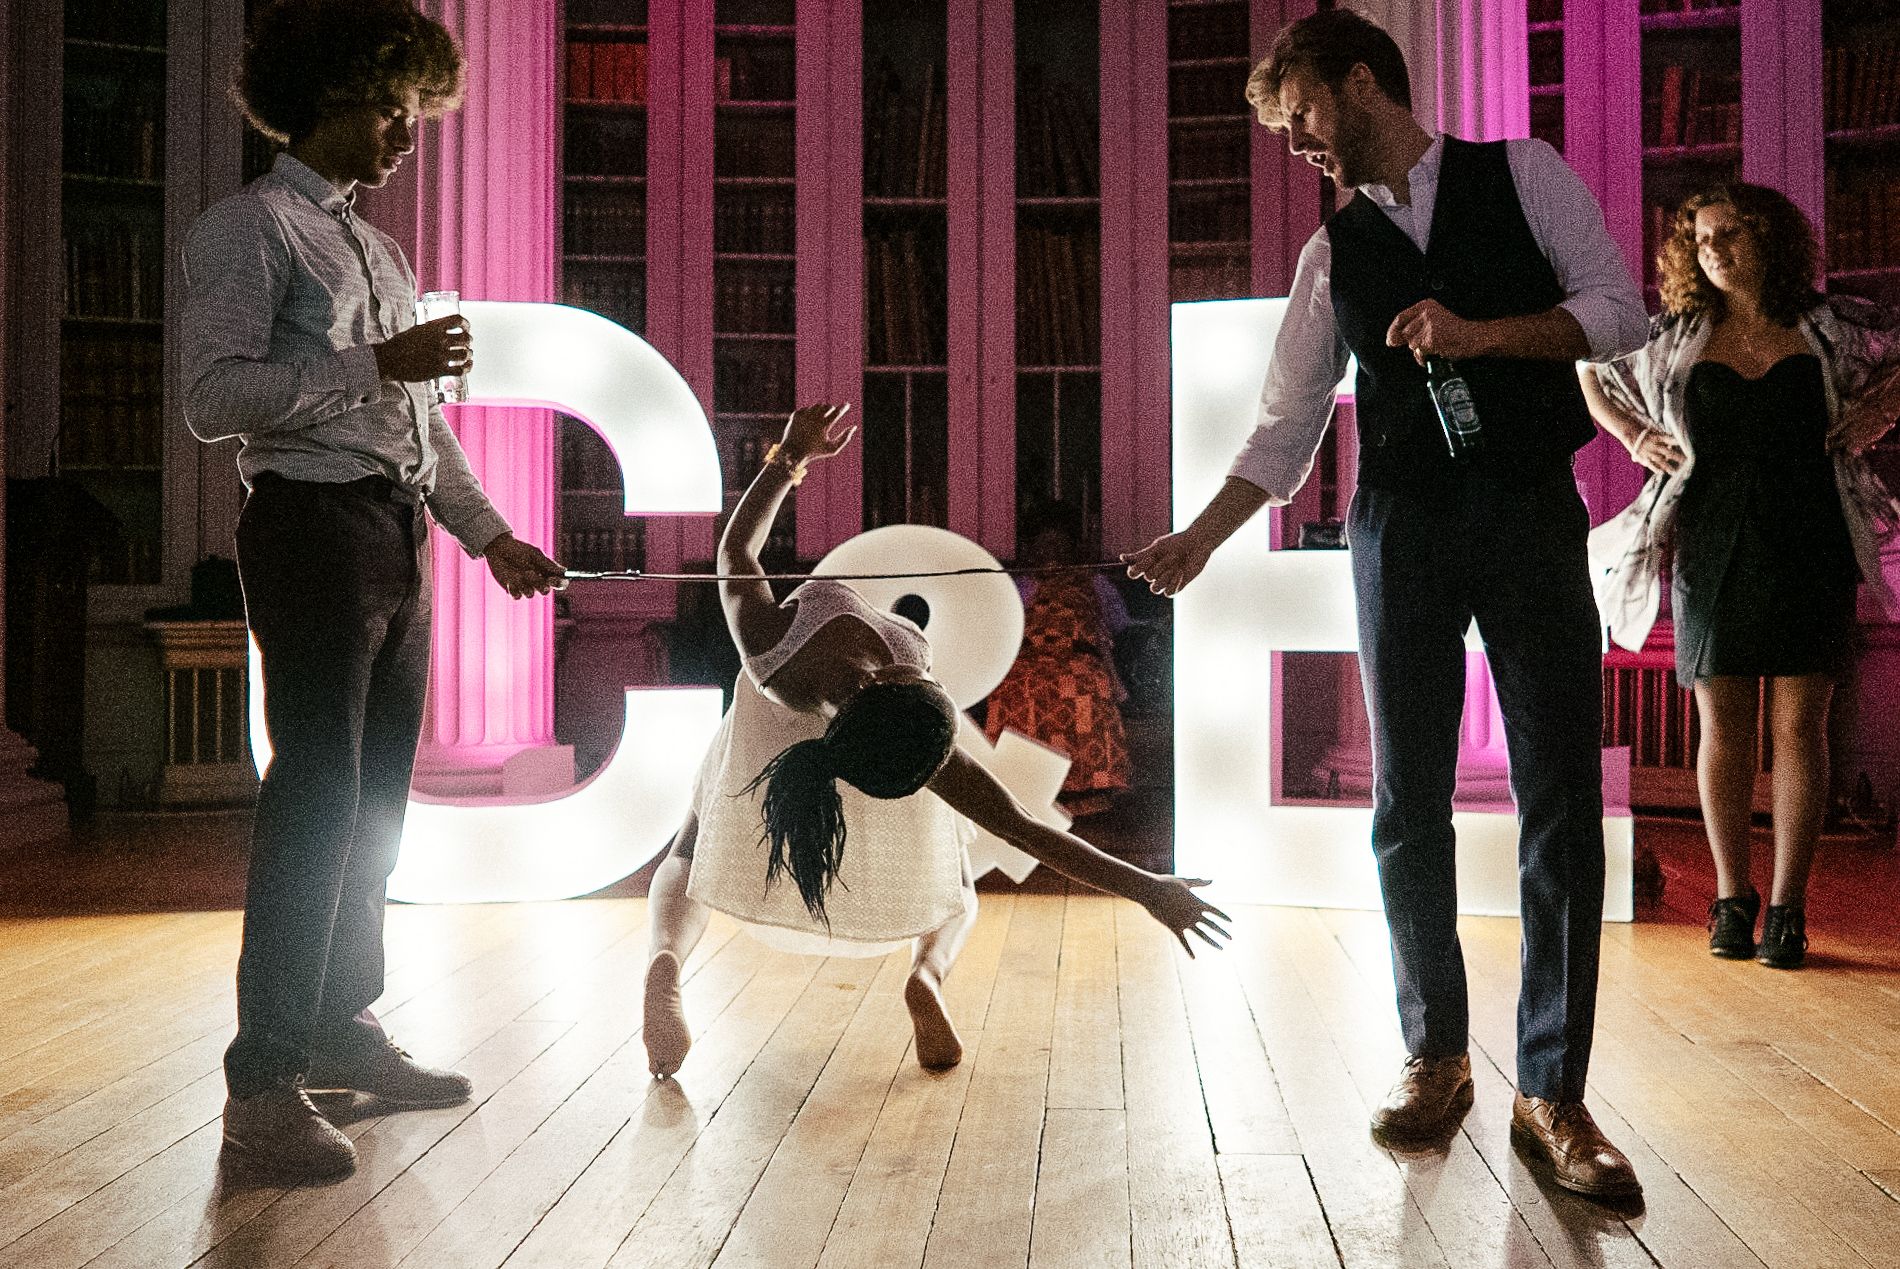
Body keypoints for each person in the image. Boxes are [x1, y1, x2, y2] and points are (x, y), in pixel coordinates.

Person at [1123, 9, 1649, 1199]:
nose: (1294, 143)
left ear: (1361, 81)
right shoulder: (1329, 255)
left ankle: (1552, 1094)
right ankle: (1435, 1056)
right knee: (1406, 800)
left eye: (1300, 114)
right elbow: (1287, 424)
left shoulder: (1522, 172)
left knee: (1559, 792)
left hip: (1526, 510)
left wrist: (1482, 334)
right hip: (1398, 529)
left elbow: (1621, 311)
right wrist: (1200, 541)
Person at [180, 0, 566, 1182]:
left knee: (376, 802)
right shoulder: (250, 230)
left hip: (395, 538)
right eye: (395, 109)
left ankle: (343, 1030)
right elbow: (212, 399)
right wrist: (372, 363)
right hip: (308, 529)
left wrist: (490, 535)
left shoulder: (381, 252)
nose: (408, 135)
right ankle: (261, 1088)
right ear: (332, 95)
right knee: (316, 803)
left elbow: (423, 427)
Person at [640, 404, 1229, 1077]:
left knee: (694, 842)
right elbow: (1028, 831)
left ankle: (664, 963)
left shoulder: (773, 650)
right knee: (954, 883)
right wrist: (1147, 888)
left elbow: (735, 551)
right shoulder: (923, 748)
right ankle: (928, 976)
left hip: (767, 743)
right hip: (851, 755)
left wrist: (788, 460)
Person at [1583, 183, 1900, 971]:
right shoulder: (1676, 336)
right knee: (1722, 728)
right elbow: (1589, 365)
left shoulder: (1826, 326)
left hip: (1812, 540)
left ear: (1770, 237)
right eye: (1699, 239)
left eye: (1729, 233)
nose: (1713, 250)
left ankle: (1789, 907)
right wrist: (1630, 433)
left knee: (1800, 728)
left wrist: (1881, 409)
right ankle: (1734, 896)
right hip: (1711, 545)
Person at [983, 502, 1133, 817]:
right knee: (1019, 685)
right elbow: (1004, 627)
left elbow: (1117, 625)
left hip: (1078, 657)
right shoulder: (1023, 583)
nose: (1051, 553)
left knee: (1082, 684)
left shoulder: (1093, 582)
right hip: (1028, 658)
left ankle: (1087, 791)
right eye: (1044, 546)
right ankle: (1022, 788)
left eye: (1058, 545)